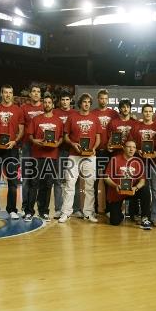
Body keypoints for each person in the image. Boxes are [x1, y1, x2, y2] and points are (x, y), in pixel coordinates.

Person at [58, 93, 101, 223]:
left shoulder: (95, 118)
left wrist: (94, 148)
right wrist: (73, 144)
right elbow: (66, 136)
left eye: (88, 102)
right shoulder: (72, 117)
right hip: (73, 154)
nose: (86, 104)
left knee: (89, 185)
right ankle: (66, 212)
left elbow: (98, 137)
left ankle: (88, 213)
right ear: (80, 103)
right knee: (69, 184)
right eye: (84, 102)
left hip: (90, 156)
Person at [0, 85, 25, 219]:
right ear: (1, 94)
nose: (8, 95)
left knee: (13, 181)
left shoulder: (18, 110)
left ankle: (12, 209)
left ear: (12, 94)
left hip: (11, 149)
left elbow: (21, 130)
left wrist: (14, 142)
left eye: (10, 93)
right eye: (5, 92)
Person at [27, 95, 64, 222]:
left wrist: (58, 143)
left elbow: (60, 138)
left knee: (47, 185)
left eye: (50, 102)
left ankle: (44, 211)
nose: (47, 104)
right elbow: (30, 136)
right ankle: (29, 211)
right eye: (45, 102)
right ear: (43, 105)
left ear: (53, 105)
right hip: (37, 156)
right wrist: (36, 141)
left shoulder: (58, 121)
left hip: (52, 157)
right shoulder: (36, 119)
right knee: (33, 184)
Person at [104, 140, 152, 229]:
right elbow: (106, 177)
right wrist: (116, 186)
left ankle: (145, 218)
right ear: (124, 148)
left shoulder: (138, 161)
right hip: (118, 191)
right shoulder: (115, 159)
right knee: (114, 222)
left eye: (134, 147)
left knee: (145, 189)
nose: (131, 149)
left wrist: (135, 188)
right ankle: (119, 215)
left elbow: (142, 181)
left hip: (132, 191)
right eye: (129, 147)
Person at [52, 91, 82, 219]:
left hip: (73, 151)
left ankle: (75, 209)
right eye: (62, 99)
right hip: (58, 150)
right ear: (59, 101)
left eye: (67, 99)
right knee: (58, 180)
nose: (65, 102)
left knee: (75, 181)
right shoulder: (55, 113)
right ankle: (59, 209)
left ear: (71, 101)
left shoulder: (76, 113)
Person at [131, 103, 156, 225]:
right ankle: (142, 214)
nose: (148, 113)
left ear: (152, 113)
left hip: (154, 163)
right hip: (140, 162)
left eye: (150, 111)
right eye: (146, 111)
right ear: (142, 113)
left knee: (155, 190)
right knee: (142, 189)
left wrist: (155, 152)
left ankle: (154, 216)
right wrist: (137, 150)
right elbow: (132, 142)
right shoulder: (136, 126)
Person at [92, 89, 118, 214]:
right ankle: (95, 208)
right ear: (98, 99)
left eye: (105, 98)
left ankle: (109, 208)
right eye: (101, 98)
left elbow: (122, 122)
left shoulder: (114, 113)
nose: (103, 100)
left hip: (110, 151)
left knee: (108, 180)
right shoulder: (93, 113)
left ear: (108, 99)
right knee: (95, 180)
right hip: (96, 151)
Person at [20, 84, 44, 217]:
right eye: (33, 91)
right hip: (27, 146)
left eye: (38, 91)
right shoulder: (23, 108)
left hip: (43, 147)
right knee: (26, 179)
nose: (36, 93)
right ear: (29, 94)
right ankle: (25, 206)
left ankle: (40, 207)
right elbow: (21, 128)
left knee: (39, 180)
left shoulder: (44, 107)